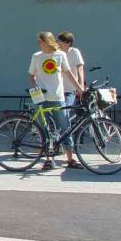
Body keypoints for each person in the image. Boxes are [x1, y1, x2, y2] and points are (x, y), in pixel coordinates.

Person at [28, 31, 84, 171]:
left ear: (48, 42)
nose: (38, 44)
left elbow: (69, 74)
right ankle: (49, 159)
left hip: (58, 97)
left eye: (41, 41)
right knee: (44, 129)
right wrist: (36, 92)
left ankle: (70, 158)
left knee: (65, 127)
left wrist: (80, 89)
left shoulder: (60, 55)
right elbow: (31, 77)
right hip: (42, 99)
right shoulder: (36, 57)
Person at [57, 31, 85, 112]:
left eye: (62, 42)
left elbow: (80, 69)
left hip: (70, 89)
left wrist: (81, 86)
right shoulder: (56, 53)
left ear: (69, 43)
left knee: (65, 110)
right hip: (57, 90)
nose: (59, 43)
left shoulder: (74, 52)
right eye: (58, 41)